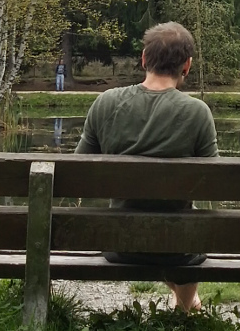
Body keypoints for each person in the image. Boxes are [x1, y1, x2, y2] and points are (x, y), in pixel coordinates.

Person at [75, 21, 218, 312]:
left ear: (143, 59)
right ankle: (185, 308)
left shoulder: (106, 103)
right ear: (187, 65)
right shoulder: (197, 113)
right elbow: (214, 180)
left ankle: (185, 305)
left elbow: (76, 170)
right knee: (185, 227)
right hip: (179, 250)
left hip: (119, 243)